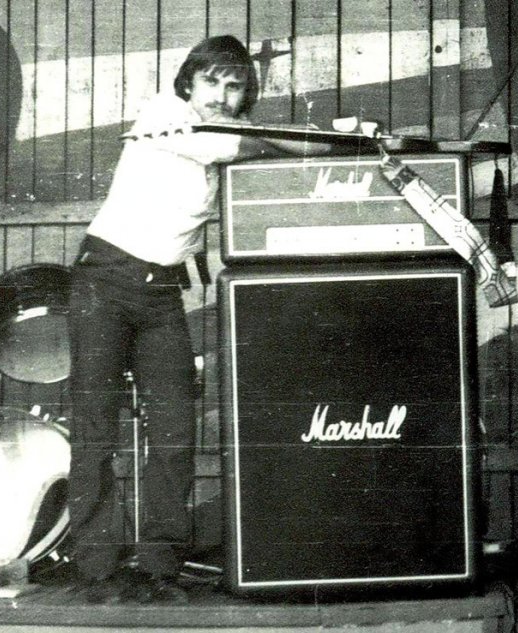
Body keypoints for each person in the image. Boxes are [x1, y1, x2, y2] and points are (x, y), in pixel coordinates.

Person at [67, 34, 331, 605]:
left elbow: (258, 149)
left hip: (160, 293)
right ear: (189, 81)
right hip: (103, 281)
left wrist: (323, 144)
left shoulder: (228, 132)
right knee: (95, 433)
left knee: (175, 434)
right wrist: (303, 140)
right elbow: (236, 145)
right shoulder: (164, 114)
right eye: (211, 81)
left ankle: (160, 568)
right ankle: (97, 572)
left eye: (234, 87)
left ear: (245, 94)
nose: (220, 95)